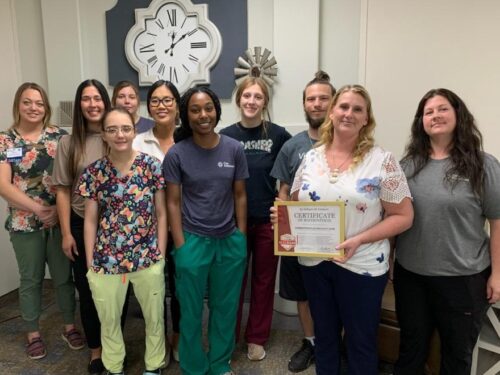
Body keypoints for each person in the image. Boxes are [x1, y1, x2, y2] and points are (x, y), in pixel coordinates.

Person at [280, 84, 414, 375]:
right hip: (315, 263)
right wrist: (280, 219)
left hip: (362, 265)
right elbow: (294, 203)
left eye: (357, 109)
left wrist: (359, 239)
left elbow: (403, 216)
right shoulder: (311, 158)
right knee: (325, 339)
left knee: (361, 341)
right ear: (332, 112)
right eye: (343, 106)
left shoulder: (382, 161)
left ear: (367, 118)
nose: (349, 113)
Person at [393, 88, 500, 375]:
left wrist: (498, 274)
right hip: (412, 277)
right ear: (421, 122)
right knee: (411, 350)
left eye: (442, 109)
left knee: (456, 355)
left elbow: (498, 221)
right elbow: (394, 218)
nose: (435, 116)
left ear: (458, 114)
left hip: (463, 280)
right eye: (428, 112)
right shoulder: (406, 166)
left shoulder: (483, 164)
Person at [163, 86, 248, 375]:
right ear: (187, 116)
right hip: (192, 242)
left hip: (228, 241)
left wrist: (241, 235)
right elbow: (173, 202)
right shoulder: (177, 154)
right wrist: (181, 245)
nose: (203, 115)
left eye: (208, 108)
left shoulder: (234, 149)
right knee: (190, 313)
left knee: (224, 310)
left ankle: (220, 364)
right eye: (195, 110)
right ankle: (193, 366)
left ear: (217, 110)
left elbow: (240, 195)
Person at [77, 107, 167, 375]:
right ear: (103, 134)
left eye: (126, 128)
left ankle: (153, 365)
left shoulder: (151, 166)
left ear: (134, 131)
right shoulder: (95, 172)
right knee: (109, 321)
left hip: (146, 256)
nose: (120, 134)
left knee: (154, 318)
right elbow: (90, 220)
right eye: (112, 129)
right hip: (106, 259)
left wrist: (159, 254)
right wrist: (92, 261)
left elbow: (161, 213)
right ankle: (114, 366)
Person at [0, 82, 84, 360]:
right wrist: (38, 209)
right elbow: (3, 185)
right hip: (25, 223)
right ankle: (32, 332)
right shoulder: (5, 140)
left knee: (63, 278)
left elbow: (70, 178)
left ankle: (69, 326)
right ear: (18, 105)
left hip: (59, 221)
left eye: (39, 103)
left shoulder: (59, 137)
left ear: (46, 107)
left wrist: (56, 212)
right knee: (31, 279)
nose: (34, 108)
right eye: (27, 102)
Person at [220, 77, 291, 361]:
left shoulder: (279, 135)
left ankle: (256, 338)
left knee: (263, 281)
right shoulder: (224, 136)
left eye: (257, 97)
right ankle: (227, 336)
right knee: (232, 282)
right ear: (238, 100)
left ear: (265, 102)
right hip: (231, 223)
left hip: (266, 221)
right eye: (246, 96)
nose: (251, 101)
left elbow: (288, 175)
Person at [270, 71, 335, 372]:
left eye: (324, 98)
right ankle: (310, 342)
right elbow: (282, 191)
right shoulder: (292, 146)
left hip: (338, 240)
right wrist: (281, 221)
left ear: (334, 103)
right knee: (303, 294)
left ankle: (334, 343)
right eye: (312, 99)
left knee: (337, 294)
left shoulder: (351, 144)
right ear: (304, 104)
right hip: (300, 236)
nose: (317, 103)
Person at [53, 79, 111, 374]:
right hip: (78, 224)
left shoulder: (115, 136)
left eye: (97, 98)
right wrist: (65, 233)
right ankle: (96, 351)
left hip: (116, 225)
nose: (92, 104)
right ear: (80, 105)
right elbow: (62, 189)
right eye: (86, 99)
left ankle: (115, 345)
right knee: (88, 291)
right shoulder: (68, 143)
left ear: (105, 101)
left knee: (115, 291)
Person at [133, 79, 182, 362]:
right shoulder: (138, 142)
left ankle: (178, 337)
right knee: (154, 290)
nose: (161, 105)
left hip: (185, 227)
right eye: (155, 101)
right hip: (147, 229)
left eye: (167, 100)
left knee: (180, 288)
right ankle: (158, 339)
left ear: (177, 104)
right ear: (148, 107)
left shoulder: (188, 139)